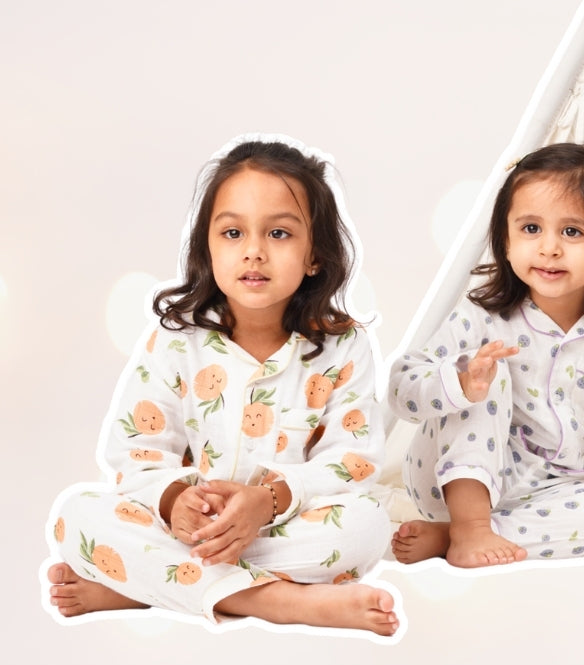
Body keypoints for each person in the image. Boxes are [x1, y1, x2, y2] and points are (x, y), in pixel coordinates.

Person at [45, 136, 399, 635]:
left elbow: (352, 462)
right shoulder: (177, 341)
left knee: (368, 524)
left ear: (314, 255)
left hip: (282, 529)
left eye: (279, 233)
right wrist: (174, 501)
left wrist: (269, 501)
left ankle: (145, 585)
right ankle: (279, 602)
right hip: (187, 532)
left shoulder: (344, 346)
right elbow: (135, 452)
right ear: (208, 248)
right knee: (76, 514)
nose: (253, 251)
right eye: (233, 233)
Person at [388, 142, 584, 568]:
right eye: (531, 228)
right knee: (487, 372)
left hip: (547, 493)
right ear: (505, 239)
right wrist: (459, 383)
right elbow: (401, 390)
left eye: (572, 232)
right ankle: (467, 524)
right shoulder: (480, 317)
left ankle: (457, 536)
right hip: (447, 482)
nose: (549, 248)